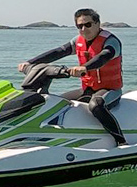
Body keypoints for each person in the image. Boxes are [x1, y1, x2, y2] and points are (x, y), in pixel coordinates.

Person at [17, 8, 127, 146]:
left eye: (88, 24)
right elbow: (59, 52)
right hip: (87, 88)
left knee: (96, 106)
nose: (83, 29)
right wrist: (31, 62)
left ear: (98, 24)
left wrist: (85, 67)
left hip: (110, 90)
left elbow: (103, 57)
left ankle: (121, 141)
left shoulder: (111, 41)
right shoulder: (78, 41)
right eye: (79, 26)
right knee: (52, 102)